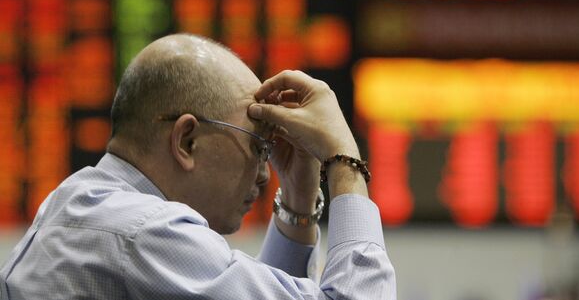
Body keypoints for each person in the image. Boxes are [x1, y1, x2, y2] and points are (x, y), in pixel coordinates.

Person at [0, 34, 396, 299]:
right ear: (186, 140)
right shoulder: (142, 232)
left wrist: (297, 196)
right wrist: (345, 161)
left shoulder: (85, 205)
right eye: (257, 146)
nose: (264, 173)